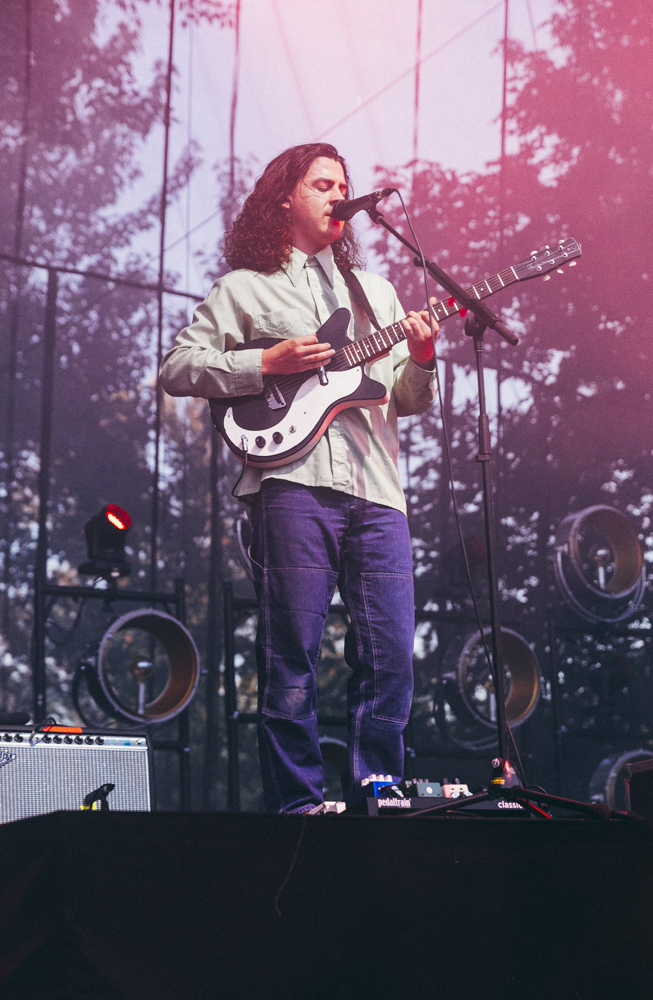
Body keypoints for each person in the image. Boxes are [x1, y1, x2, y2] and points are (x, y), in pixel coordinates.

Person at [160, 143, 438, 813]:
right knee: (293, 656)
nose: (339, 194)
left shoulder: (376, 294)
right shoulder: (244, 287)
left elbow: (406, 399)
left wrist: (423, 358)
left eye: (344, 184)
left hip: (377, 493)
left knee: (391, 657)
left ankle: (377, 794)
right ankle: (298, 806)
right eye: (322, 184)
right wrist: (265, 363)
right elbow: (178, 367)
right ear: (285, 198)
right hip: (292, 485)